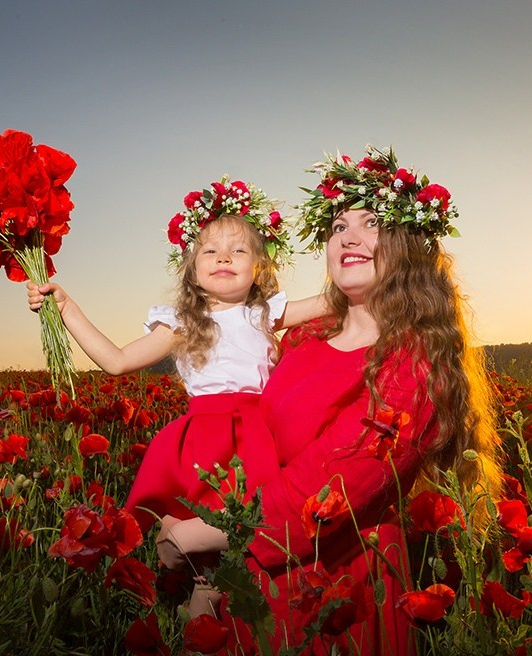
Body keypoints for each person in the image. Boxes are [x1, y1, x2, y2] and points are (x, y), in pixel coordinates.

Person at [156, 147, 504, 656]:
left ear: (411, 247)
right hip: (247, 574)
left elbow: (334, 482)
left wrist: (199, 532)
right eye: (338, 225)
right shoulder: (301, 341)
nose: (348, 236)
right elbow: (243, 433)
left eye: (372, 223)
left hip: (338, 587)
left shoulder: (414, 364)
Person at [27, 178, 328, 534]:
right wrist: (67, 309)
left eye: (239, 251)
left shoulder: (264, 313)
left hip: (258, 437)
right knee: (208, 535)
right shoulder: (181, 324)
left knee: (252, 530)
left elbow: (332, 301)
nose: (224, 257)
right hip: (205, 440)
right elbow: (116, 361)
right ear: (193, 271)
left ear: (259, 267)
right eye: (210, 251)